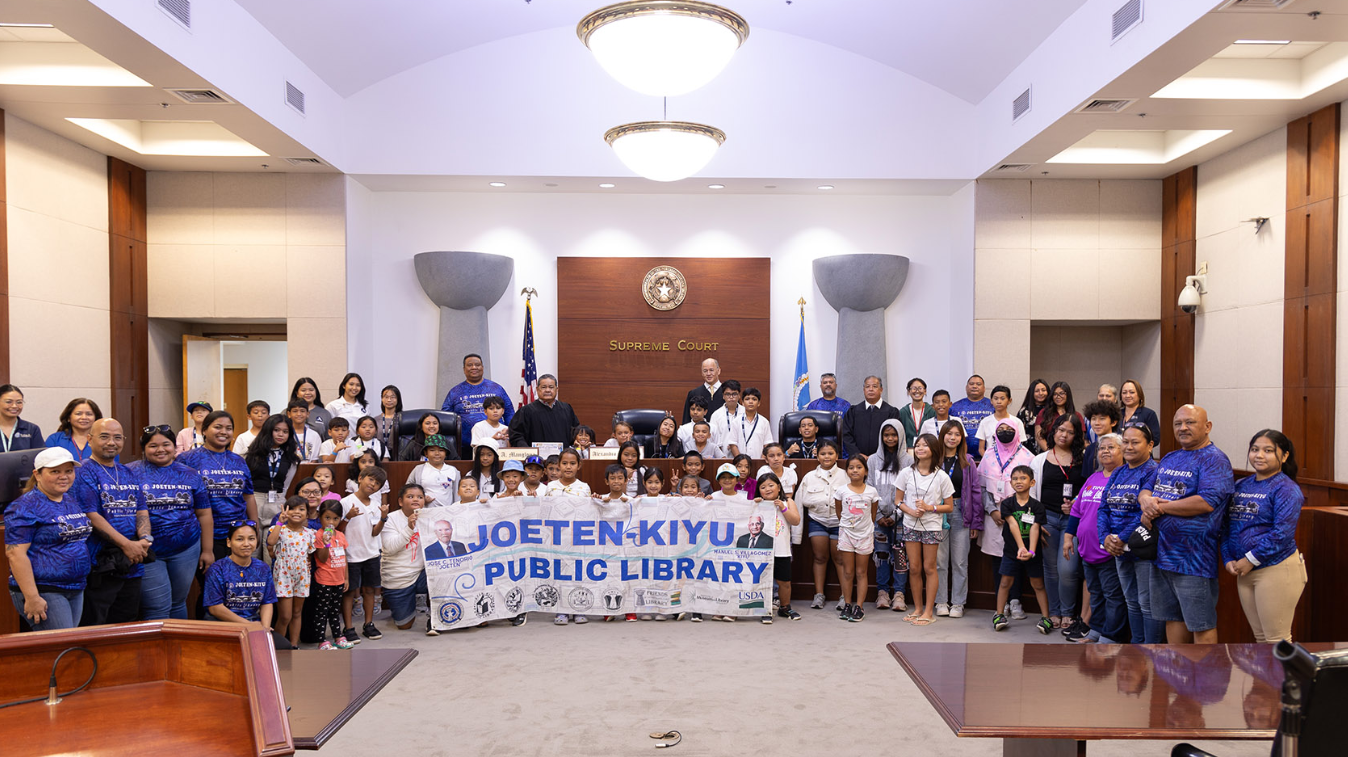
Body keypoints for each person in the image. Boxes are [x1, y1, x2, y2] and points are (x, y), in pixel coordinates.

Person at [1139, 404, 1234, 645]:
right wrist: (1146, 502)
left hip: (1194, 560)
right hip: (1161, 555)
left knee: (1201, 624)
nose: (1183, 428)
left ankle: (1204, 681)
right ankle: (1177, 678)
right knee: (1172, 619)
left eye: (1190, 422)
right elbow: (1146, 487)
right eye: (1178, 423)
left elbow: (1206, 502)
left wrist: (1160, 507)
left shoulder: (1215, 460)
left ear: (1207, 426)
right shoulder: (1171, 457)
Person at [1223, 429, 1306, 643]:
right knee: (1261, 639)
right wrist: (1228, 558)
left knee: (1276, 640)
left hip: (1276, 569)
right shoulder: (1241, 485)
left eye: (1268, 450)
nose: (1259, 455)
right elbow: (1227, 527)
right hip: (1243, 570)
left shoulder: (1286, 488)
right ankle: (1267, 678)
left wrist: (1250, 560)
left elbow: (1282, 534)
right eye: (1255, 449)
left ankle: (1285, 678)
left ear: (1284, 456)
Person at [66, 418, 148, 626]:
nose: (111, 442)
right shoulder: (83, 471)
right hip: (100, 563)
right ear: (90, 439)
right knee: (97, 624)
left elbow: (141, 509)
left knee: (127, 621)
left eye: (117, 437)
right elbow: (90, 515)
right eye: (104, 437)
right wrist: (127, 544)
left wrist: (145, 539)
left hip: (132, 562)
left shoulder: (128, 471)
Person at [131, 425, 214, 620]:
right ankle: (156, 650)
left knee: (178, 603)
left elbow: (204, 513)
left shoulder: (190, 474)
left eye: (166, 444)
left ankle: (178, 648)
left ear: (174, 447)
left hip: (186, 548)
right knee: (156, 605)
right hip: (148, 550)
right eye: (153, 446)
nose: (160, 450)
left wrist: (207, 550)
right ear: (144, 448)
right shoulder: (131, 472)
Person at [6, 448, 92, 631]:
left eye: (69, 471)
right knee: (61, 649)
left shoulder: (69, 500)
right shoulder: (24, 506)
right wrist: (32, 597)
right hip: (44, 590)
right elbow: (15, 554)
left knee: (66, 648)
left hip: (75, 587)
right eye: (55, 471)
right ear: (37, 475)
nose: (64, 477)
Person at [1099, 423, 1163, 643]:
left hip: (1141, 548)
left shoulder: (1154, 471)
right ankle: (1136, 649)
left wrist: (1120, 538)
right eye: (1125, 441)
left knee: (1147, 604)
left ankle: (1151, 652)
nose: (1128, 447)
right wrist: (1105, 537)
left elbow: (1142, 513)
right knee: (1131, 602)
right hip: (1119, 550)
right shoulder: (1118, 472)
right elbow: (1104, 507)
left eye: (1135, 442)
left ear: (1150, 444)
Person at [1064, 433, 1126, 644]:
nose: (1105, 451)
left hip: (1109, 551)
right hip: (1086, 550)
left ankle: (1111, 637)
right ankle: (1095, 633)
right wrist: (1068, 537)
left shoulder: (1125, 478)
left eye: (1111, 447)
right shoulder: (1093, 478)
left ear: (1122, 450)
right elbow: (1076, 511)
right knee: (1096, 594)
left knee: (1113, 597)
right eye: (1101, 448)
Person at [1030, 413, 1087, 630]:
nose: (1064, 435)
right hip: (1048, 519)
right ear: (1054, 431)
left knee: (1068, 569)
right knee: (1051, 568)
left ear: (1076, 435)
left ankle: (1068, 612)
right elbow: (1033, 494)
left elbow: (1088, 489)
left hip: (1074, 521)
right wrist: (1037, 522)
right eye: (1060, 430)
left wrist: (1076, 505)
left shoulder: (1083, 458)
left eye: (1070, 432)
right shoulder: (1039, 460)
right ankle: (1054, 613)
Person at [178, 410, 259, 561]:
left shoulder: (239, 461)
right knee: (211, 581)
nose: (224, 432)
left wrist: (255, 527)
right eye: (218, 427)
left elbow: (248, 496)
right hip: (202, 534)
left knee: (236, 580)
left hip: (237, 533)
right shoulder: (187, 459)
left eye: (228, 428)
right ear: (205, 430)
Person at [977, 418, 1034, 621]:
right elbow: (982, 487)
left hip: (1018, 517)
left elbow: (1032, 490)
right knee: (997, 558)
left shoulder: (1028, 457)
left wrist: (1014, 511)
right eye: (1000, 429)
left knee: (1017, 556)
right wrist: (992, 510)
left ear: (1017, 432)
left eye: (1008, 429)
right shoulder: (988, 455)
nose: (1004, 432)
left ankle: (1015, 600)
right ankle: (1002, 603)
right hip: (994, 517)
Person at [897, 433, 955, 626]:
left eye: (925, 445)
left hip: (932, 526)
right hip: (910, 524)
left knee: (929, 568)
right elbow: (897, 500)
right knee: (914, 568)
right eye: (918, 445)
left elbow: (949, 506)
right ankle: (918, 608)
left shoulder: (942, 476)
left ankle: (929, 611)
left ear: (934, 450)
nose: (920, 449)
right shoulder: (906, 472)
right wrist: (911, 511)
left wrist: (930, 508)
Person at [202, 521, 288, 649]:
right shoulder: (217, 569)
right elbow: (215, 608)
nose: (246, 544)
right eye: (240, 539)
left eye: (251, 539)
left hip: (254, 622)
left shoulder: (263, 568)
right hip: (222, 625)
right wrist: (251, 626)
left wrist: (264, 629)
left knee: (283, 647)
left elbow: (267, 602)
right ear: (229, 542)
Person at [991, 465, 1054, 634]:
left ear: (1032, 482)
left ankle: (1046, 617)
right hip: (1012, 551)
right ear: (1010, 483)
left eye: (1023, 478)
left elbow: (1035, 528)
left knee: (1038, 584)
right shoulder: (1007, 504)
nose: (1019, 481)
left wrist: (1031, 551)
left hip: (1032, 553)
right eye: (1015, 479)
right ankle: (999, 615)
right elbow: (1012, 524)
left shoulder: (1038, 506)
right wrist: (1021, 548)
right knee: (1005, 582)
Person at [935, 419, 982, 619]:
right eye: (949, 433)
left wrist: (976, 522)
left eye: (957, 434)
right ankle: (941, 601)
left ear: (961, 438)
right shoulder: (934, 459)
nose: (952, 437)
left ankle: (958, 603)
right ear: (942, 435)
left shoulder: (968, 461)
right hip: (937, 513)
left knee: (960, 561)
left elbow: (976, 492)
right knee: (939, 561)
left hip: (961, 511)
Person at [865, 419, 912, 613]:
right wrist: (877, 516)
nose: (890, 438)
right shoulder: (873, 460)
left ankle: (899, 593)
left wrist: (897, 514)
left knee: (900, 556)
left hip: (901, 517)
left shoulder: (909, 461)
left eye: (894, 435)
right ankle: (883, 592)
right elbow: (869, 488)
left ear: (900, 436)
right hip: (879, 518)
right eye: (886, 435)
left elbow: (910, 491)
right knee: (882, 555)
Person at [340, 466, 390, 641]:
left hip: (371, 554)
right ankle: (348, 627)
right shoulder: (345, 502)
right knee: (349, 592)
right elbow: (338, 531)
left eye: (377, 484)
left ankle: (368, 624)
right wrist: (348, 516)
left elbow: (375, 532)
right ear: (360, 478)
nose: (373, 485)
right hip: (350, 555)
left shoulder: (376, 505)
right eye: (371, 480)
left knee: (369, 590)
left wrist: (383, 517)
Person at [798, 440, 849, 610]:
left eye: (830, 453)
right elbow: (800, 502)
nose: (827, 457)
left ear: (837, 456)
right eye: (823, 454)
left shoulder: (845, 475)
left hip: (839, 523)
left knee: (840, 559)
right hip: (817, 521)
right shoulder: (809, 476)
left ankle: (844, 596)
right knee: (819, 558)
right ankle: (819, 595)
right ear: (817, 455)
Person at [381, 484, 437, 634]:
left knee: (445, 569)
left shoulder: (429, 517)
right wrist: (409, 528)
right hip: (398, 577)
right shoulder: (390, 519)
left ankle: (436, 616)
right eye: (410, 497)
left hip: (422, 573)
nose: (415, 500)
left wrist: (479, 503)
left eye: (419, 497)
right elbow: (390, 547)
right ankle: (411, 601)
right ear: (400, 501)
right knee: (404, 625)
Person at [266, 496, 320, 648]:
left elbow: (310, 554)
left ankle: (294, 646)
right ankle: (277, 648)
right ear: (285, 511)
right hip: (283, 575)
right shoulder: (279, 529)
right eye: (293, 509)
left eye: (301, 509)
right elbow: (270, 542)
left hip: (302, 576)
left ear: (307, 514)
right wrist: (279, 522)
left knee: (297, 613)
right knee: (284, 616)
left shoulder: (310, 533)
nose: (297, 512)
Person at [834, 455, 878, 623]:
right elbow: (839, 513)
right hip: (846, 534)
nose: (855, 470)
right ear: (847, 471)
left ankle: (859, 606)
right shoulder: (841, 491)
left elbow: (873, 515)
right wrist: (849, 526)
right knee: (847, 571)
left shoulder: (871, 492)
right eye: (851, 467)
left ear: (865, 471)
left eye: (859, 467)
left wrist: (863, 528)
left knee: (861, 572)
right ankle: (847, 604)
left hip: (865, 535)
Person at [442, 353, 515, 452]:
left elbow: (509, 412)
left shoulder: (496, 389)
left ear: (482, 367)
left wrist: (510, 431)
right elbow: (446, 418)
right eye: (469, 365)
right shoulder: (455, 392)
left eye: (477, 364)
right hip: (465, 446)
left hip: (498, 444)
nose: (474, 367)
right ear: (464, 369)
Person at [755, 472, 802, 622]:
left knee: (784, 581)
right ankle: (765, 609)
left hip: (782, 549)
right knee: (763, 580)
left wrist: (783, 507)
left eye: (771, 485)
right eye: (763, 487)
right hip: (762, 551)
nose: (767, 489)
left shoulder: (788, 501)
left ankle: (785, 607)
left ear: (779, 486)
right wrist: (753, 505)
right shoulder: (757, 503)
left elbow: (795, 521)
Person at [312, 501, 356, 649]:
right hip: (325, 579)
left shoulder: (340, 535)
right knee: (322, 611)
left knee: (335, 610)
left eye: (336, 519)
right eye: (327, 518)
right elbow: (322, 558)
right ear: (320, 517)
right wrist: (326, 543)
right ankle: (322, 640)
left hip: (339, 580)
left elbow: (344, 558)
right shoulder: (319, 535)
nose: (331, 522)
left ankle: (338, 637)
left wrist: (346, 578)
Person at [244, 415, 299, 525]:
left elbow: (286, 486)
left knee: (273, 539)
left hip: (278, 501)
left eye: (285, 431)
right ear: (268, 430)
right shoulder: (252, 454)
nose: (281, 434)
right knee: (254, 538)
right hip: (255, 499)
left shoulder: (291, 459)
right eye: (276, 430)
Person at [509, 375, 579, 447]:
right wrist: (528, 451)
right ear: (537, 389)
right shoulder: (527, 411)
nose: (547, 390)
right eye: (544, 387)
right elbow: (516, 435)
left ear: (557, 389)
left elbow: (575, 432)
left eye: (551, 387)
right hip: (537, 457)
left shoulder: (566, 409)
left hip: (563, 456)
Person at [841, 376, 900, 459]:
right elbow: (846, 435)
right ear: (863, 390)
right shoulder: (853, 411)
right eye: (867, 386)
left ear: (881, 390)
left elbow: (894, 437)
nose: (871, 389)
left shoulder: (892, 412)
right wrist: (857, 454)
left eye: (875, 386)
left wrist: (878, 456)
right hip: (858, 460)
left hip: (883, 459)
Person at [406, 435, 459, 507]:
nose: (437, 453)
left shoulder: (453, 470)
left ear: (446, 453)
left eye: (441, 450)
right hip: (425, 512)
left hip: (448, 513)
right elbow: (408, 490)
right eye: (432, 450)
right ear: (426, 453)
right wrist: (421, 498)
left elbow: (458, 494)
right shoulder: (418, 470)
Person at [949, 375, 993, 462]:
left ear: (984, 388)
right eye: (971, 384)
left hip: (988, 456)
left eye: (978, 384)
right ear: (966, 387)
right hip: (961, 456)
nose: (974, 386)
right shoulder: (955, 407)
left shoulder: (992, 405)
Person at [46, 397, 103, 463]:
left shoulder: (104, 440)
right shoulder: (55, 440)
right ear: (68, 418)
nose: (84, 417)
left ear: (96, 418)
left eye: (89, 414)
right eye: (78, 414)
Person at [976, 385, 1026, 458]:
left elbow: (1020, 446)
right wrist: (989, 460)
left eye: (1002, 398)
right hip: (991, 462)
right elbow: (981, 449)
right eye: (995, 399)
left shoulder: (1017, 422)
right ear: (991, 401)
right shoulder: (985, 422)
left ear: (1009, 401)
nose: (999, 402)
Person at [1035, 382, 1085, 453]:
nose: (1058, 397)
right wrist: (1051, 453)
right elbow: (1039, 437)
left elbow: (1080, 438)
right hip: (1048, 453)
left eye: (1061, 393)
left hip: (1071, 455)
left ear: (1068, 394)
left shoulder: (1076, 415)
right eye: (1055, 394)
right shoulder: (1044, 413)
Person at [726, 387, 773, 458]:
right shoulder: (736, 421)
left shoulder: (764, 422)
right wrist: (741, 461)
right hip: (740, 464)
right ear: (742, 403)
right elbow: (733, 444)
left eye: (754, 399)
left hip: (759, 460)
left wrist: (761, 461)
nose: (750, 402)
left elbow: (767, 444)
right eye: (747, 399)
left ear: (759, 403)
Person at [1081, 400, 1121, 478]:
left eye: (1102, 419)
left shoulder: (1122, 446)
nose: (1097, 423)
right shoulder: (1089, 449)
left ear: (1113, 422)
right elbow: (1085, 478)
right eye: (1093, 419)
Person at [682, 358, 726, 424]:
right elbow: (686, 420)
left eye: (711, 370)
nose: (708, 374)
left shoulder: (728, 393)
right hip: (699, 433)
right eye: (705, 371)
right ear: (702, 373)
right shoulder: (693, 393)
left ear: (719, 370)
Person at [1119, 379, 1161, 447]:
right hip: (1119, 455)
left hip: (1140, 455)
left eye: (1132, 392)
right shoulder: (1116, 414)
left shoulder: (1149, 414)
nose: (1127, 396)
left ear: (1139, 394)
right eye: (1124, 393)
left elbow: (1155, 439)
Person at [897, 378, 935, 451]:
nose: (917, 391)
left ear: (925, 391)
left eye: (920, 388)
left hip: (927, 450)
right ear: (909, 391)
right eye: (914, 388)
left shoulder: (931, 411)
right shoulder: (903, 412)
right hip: (908, 451)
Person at [0, 384, 41, 451]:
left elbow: (40, 457)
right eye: (9, 402)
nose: (14, 406)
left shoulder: (32, 429)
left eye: (19, 402)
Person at [1016, 379, 1050, 455]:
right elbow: (1018, 432)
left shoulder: (1052, 410)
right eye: (1037, 391)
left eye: (1043, 390)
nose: (1040, 393)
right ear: (1031, 393)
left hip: (1049, 449)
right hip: (1028, 450)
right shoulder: (1024, 411)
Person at [707, 380, 744, 449]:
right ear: (723, 396)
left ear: (739, 395)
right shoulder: (716, 415)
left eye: (734, 394)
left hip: (742, 453)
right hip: (723, 454)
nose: (731, 397)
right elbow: (713, 437)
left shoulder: (745, 412)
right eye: (727, 394)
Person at [375, 386, 404, 458]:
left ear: (398, 399)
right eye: (386, 397)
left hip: (398, 455)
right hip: (379, 455)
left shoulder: (403, 419)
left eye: (393, 397)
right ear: (382, 399)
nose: (389, 400)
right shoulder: (375, 420)